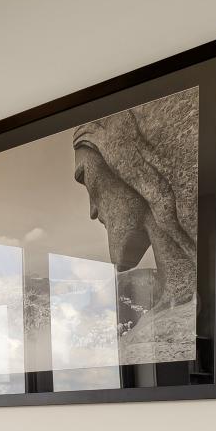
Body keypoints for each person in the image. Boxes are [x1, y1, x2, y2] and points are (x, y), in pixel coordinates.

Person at [71, 86, 201, 364]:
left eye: (86, 178)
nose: (93, 211)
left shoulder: (182, 317)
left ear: (123, 160)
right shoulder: (163, 319)